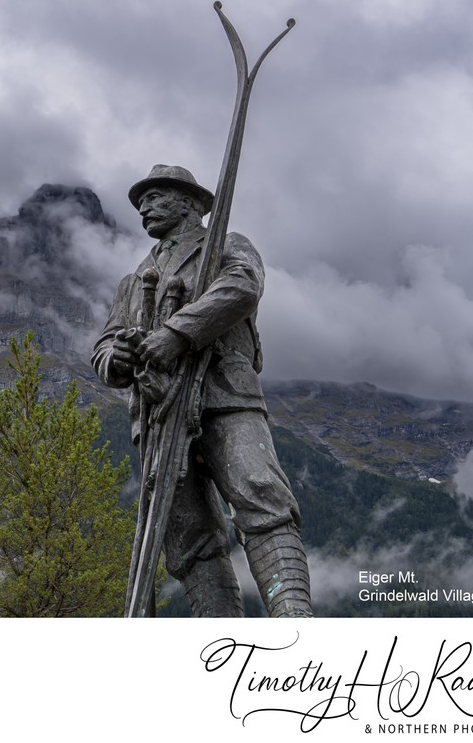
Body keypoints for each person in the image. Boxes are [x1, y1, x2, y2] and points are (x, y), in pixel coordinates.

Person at [91, 164, 312, 617]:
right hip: (158, 414)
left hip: (224, 393)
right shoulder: (133, 281)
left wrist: (176, 334)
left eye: (156, 197)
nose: (145, 208)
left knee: (260, 493)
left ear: (191, 202)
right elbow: (106, 343)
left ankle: (293, 617)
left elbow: (242, 286)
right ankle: (220, 632)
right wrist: (119, 358)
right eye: (141, 201)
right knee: (187, 535)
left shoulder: (227, 245)